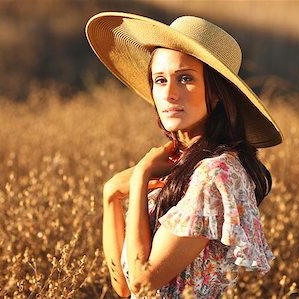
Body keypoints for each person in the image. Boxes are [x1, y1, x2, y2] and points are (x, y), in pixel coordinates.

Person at [86, 12, 283, 298]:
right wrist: (111, 196)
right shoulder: (176, 165)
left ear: (215, 93)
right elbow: (125, 287)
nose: (169, 94)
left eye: (185, 78)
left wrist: (140, 177)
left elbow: (143, 281)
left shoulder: (217, 173)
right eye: (160, 80)